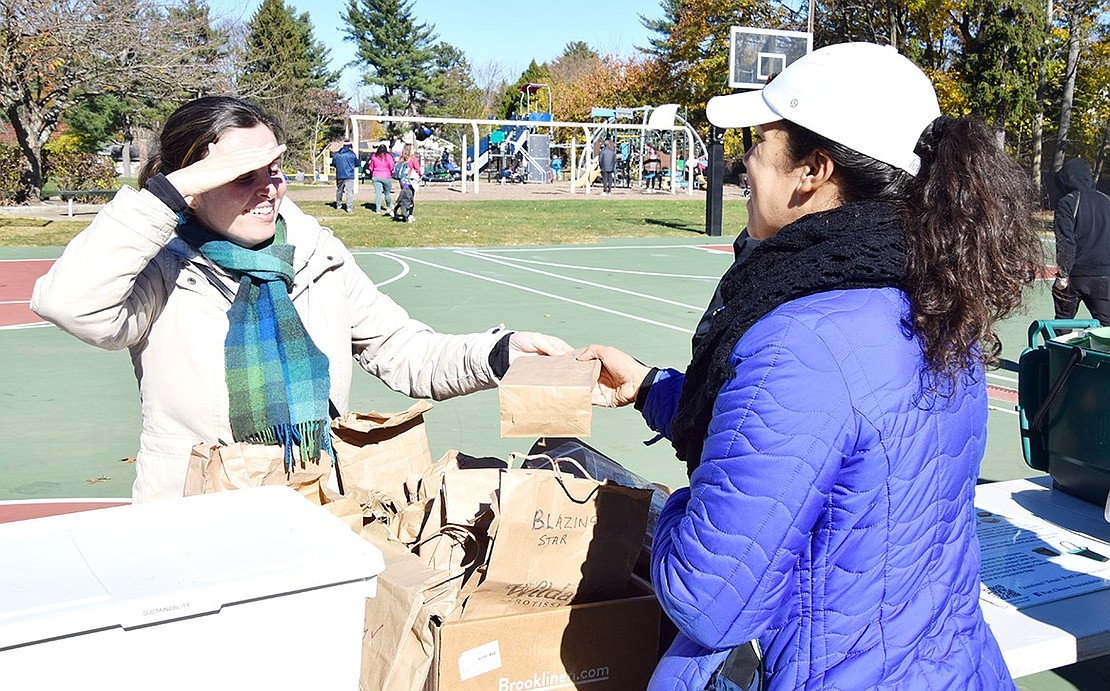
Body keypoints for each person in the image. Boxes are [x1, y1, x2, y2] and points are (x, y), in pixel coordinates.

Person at [578, 43, 1041, 690]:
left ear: (812, 170)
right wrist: (652, 388)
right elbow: (814, 436)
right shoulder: (933, 300)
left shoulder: (801, 337)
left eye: (760, 141)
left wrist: (668, 506)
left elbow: (708, 597)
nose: (745, 160)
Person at [30, 95, 572, 504]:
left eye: (273, 171)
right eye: (241, 176)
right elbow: (72, 304)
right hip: (195, 509)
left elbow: (404, 350)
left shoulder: (317, 254)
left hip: (315, 498)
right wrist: (163, 199)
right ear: (190, 183)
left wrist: (500, 354)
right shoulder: (161, 265)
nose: (267, 189)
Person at [1052, 157, 1110, 325]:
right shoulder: (1107, 201)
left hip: (1075, 276)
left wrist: (1063, 274)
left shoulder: (1068, 202)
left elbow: (1065, 241)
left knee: (1062, 323)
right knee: (1107, 328)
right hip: (1104, 276)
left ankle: (1061, 351)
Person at [330, 138, 358, 213]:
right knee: (349, 191)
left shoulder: (337, 154)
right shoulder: (352, 154)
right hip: (349, 175)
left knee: (339, 190)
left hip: (340, 174)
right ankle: (349, 207)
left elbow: (333, 164)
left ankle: (338, 204)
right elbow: (357, 164)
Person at [366, 143, 394, 214]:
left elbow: (371, 167)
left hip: (376, 176)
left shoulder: (374, 157)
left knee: (378, 193)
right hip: (386, 176)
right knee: (387, 193)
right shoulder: (389, 157)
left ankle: (378, 209)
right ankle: (388, 207)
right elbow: (391, 167)